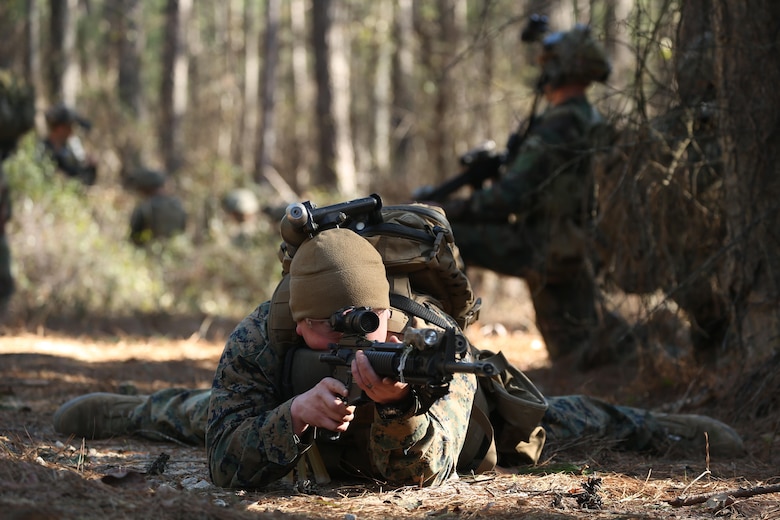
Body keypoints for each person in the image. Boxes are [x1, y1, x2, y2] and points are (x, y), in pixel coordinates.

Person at [52, 227, 746, 490]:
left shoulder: (430, 343)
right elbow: (225, 457)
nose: (348, 339)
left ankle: (682, 427)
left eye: (364, 322)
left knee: (566, 419)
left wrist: (393, 412)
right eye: (323, 329)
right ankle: (118, 409)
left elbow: (432, 469)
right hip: (299, 411)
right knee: (195, 413)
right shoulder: (263, 338)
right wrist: (291, 415)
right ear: (297, 319)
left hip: (469, 434)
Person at [437, 24, 625, 366]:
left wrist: (448, 211)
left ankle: (439, 343)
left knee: (439, 238)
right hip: (577, 245)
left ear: (558, 69)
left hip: (547, 246)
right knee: (575, 351)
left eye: (547, 64)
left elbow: (509, 197)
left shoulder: (558, 125)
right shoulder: (590, 119)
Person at [128, 167, 187, 246]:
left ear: (146, 188)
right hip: (176, 253)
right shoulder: (177, 205)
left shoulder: (145, 208)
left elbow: (134, 238)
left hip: (150, 254)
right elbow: (182, 230)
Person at [41, 103, 97, 185]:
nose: (71, 131)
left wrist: (91, 168)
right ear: (59, 128)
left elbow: (82, 181)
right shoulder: (42, 151)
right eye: (68, 127)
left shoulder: (68, 152)